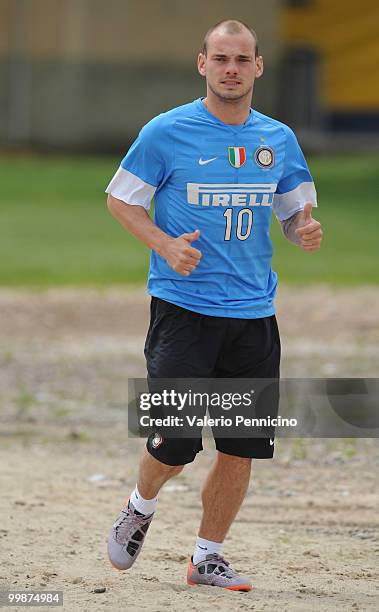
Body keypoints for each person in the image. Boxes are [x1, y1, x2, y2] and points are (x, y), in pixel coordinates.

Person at [105, 19, 323, 592]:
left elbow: (294, 210)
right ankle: (140, 504)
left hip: (254, 316)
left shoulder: (277, 140)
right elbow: (121, 199)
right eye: (220, 58)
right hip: (184, 311)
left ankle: (207, 558)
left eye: (241, 59)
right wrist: (165, 244)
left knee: (239, 445)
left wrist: (303, 230)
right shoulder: (166, 132)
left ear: (258, 67)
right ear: (202, 64)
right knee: (175, 440)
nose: (231, 68)